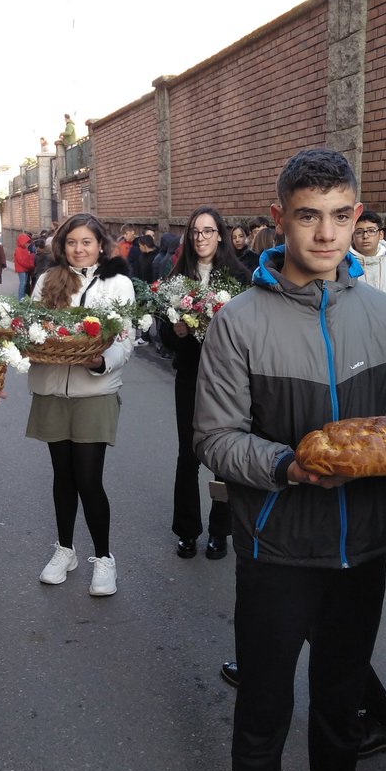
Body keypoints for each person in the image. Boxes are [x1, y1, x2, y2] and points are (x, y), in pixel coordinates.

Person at [194, 148, 386, 771]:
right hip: (277, 549)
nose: (326, 233)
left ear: (356, 215)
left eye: (340, 215)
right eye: (307, 216)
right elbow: (214, 437)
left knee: (339, 710)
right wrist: (285, 465)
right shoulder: (238, 322)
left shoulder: (383, 316)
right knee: (264, 714)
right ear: (278, 219)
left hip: (363, 549)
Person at [29, 213, 135, 597]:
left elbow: (125, 338)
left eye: (86, 242)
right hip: (52, 389)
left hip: (95, 392)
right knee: (63, 477)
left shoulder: (118, 284)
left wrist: (100, 360)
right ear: (62, 245)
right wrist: (33, 345)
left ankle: (104, 558)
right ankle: (65, 550)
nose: (78, 249)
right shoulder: (46, 280)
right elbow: (32, 326)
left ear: (100, 245)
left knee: (89, 480)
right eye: (72, 242)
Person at [161, 206, 247, 562]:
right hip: (191, 375)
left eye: (208, 231)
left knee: (223, 458)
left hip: (227, 381)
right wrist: (176, 331)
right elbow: (163, 332)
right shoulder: (176, 279)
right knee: (187, 455)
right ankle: (187, 531)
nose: (201, 238)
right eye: (195, 232)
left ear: (220, 235)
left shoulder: (238, 278)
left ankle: (219, 531)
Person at [13, 233, 36, 299]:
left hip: (25, 269)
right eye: (26, 242)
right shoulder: (18, 249)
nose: (27, 244)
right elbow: (20, 260)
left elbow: (26, 259)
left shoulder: (24, 249)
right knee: (22, 284)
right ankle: (20, 298)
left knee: (25, 284)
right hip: (21, 269)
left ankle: (22, 297)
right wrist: (28, 265)